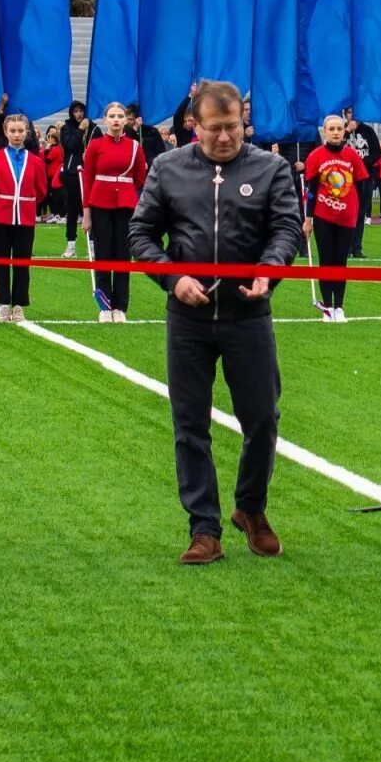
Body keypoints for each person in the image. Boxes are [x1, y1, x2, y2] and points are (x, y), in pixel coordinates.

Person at [130, 81, 302, 564]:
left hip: (249, 316)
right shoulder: (168, 168)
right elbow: (141, 233)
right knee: (190, 425)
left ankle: (250, 507)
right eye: (215, 129)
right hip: (188, 319)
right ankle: (204, 528)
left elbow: (286, 228)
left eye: (234, 127)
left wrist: (269, 272)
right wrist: (173, 278)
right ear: (194, 126)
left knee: (263, 419)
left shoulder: (271, 168)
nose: (225, 137)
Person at [81, 101, 148, 321]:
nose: (117, 120)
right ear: (105, 119)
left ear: (126, 119)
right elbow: (88, 179)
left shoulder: (135, 146)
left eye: (120, 116)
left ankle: (120, 306)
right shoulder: (95, 145)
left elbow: (140, 177)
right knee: (103, 254)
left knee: (122, 255)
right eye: (112, 116)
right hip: (100, 203)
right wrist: (87, 213)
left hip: (126, 205)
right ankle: (104, 305)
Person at [0, 113, 49, 323]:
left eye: (20, 131)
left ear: (27, 132)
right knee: (1, 262)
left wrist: (26, 202)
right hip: (1, 217)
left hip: (25, 218)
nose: (17, 135)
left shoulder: (36, 161)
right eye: (13, 131)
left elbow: (41, 190)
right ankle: (3, 305)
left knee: (22, 263)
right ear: (6, 132)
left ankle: (19, 305)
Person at [303, 115, 369, 321]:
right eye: (331, 129)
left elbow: (362, 184)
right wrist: (308, 218)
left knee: (340, 261)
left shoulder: (352, 155)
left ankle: (339, 307)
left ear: (344, 131)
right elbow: (311, 190)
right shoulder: (316, 156)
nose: (335, 132)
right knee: (326, 260)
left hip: (346, 217)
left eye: (339, 129)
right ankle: (328, 307)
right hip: (323, 216)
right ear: (324, 131)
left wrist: (358, 211)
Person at [339, 107, 380, 258]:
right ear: (345, 114)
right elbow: (335, 148)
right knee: (346, 211)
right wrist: (348, 131)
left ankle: (357, 247)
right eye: (349, 112)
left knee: (360, 212)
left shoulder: (368, 131)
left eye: (355, 112)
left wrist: (362, 162)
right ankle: (345, 246)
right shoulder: (341, 130)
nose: (353, 115)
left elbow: (377, 153)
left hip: (364, 176)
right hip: (345, 178)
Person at [58, 101, 89, 257]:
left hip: (89, 172)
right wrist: (80, 130)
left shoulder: (94, 128)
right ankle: (71, 244)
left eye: (81, 111)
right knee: (73, 208)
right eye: (76, 111)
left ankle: (92, 243)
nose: (79, 114)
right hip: (72, 173)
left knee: (91, 208)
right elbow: (70, 146)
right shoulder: (66, 128)